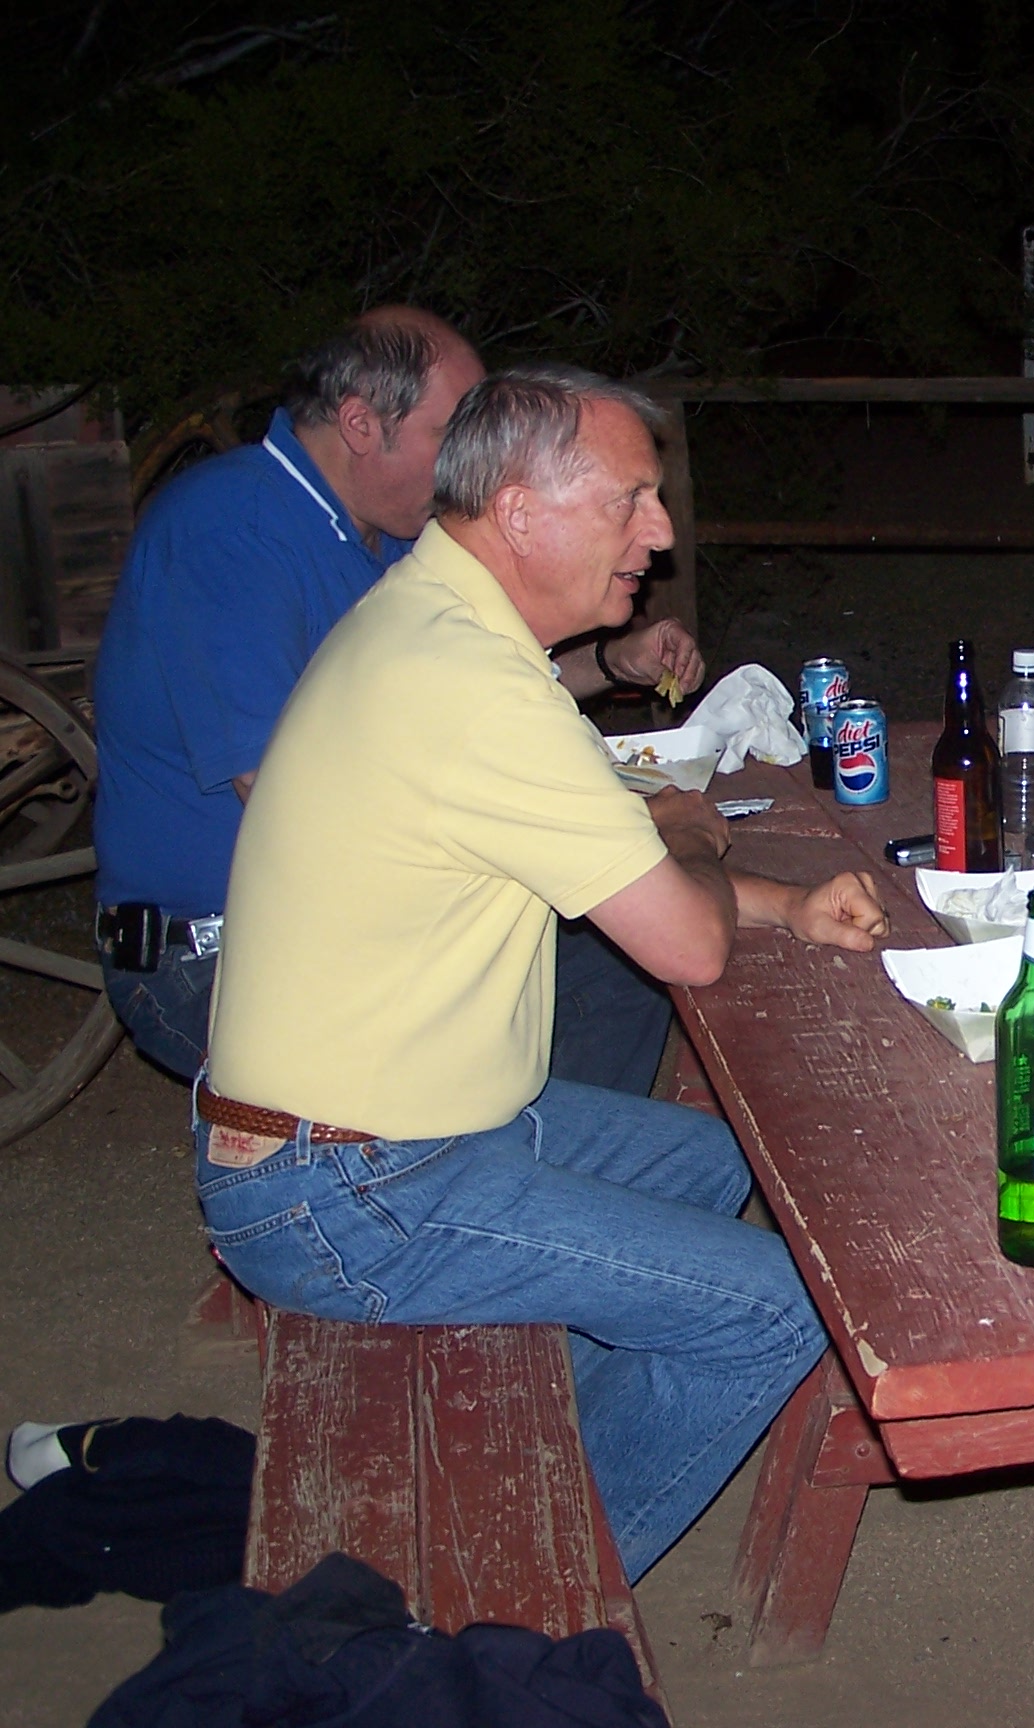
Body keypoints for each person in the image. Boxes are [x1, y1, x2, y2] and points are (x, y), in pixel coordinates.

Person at [191, 365, 890, 1583]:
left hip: (394, 1134)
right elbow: (686, 936)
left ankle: (535, 1450)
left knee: (727, 1161)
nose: (661, 535)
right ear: (520, 513)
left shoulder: (444, 627)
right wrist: (700, 847)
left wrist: (785, 905)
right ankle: (513, 1595)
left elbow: (615, 837)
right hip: (345, 1183)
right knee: (778, 1305)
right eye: (633, 501)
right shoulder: (471, 685)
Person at [93, 309, 703, 1090]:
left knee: (617, 961)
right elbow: (285, 791)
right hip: (218, 952)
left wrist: (612, 661)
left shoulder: (388, 536)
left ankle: (524, 1170)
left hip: (362, 925)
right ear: (359, 424)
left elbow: (485, 689)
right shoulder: (228, 532)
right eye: (456, 431)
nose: (478, 458)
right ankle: (493, 1186)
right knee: (615, 956)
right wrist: (593, 832)